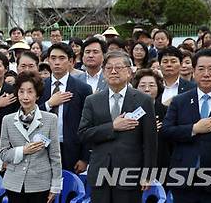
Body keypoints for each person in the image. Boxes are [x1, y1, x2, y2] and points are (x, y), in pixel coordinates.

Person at [78, 51, 157, 202]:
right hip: (100, 172)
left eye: (118, 67)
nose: (113, 71)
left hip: (130, 173)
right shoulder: (92, 100)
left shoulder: (143, 100)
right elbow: (83, 134)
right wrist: (112, 127)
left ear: (129, 72)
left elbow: (150, 141)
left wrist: (148, 174)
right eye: (109, 68)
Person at [161, 48, 211, 202]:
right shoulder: (179, 101)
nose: (206, 74)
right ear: (193, 71)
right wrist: (193, 129)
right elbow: (166, 131)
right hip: (183, 177)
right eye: (201, 69)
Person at [0, 71, 61, 203]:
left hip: (40, 183)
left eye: (30, 92)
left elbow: (55, 155)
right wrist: (23, 150)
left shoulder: (50, 119)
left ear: (37, 95)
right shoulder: (8, 120)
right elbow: (3, 154)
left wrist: (55, 186)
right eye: (21, 92)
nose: (25, 97)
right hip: (14, 183)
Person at [38, 43, 92, 173]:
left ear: (71, 61)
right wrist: (49, 104)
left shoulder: (82, 89)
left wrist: (85, 158)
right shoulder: (39, 87)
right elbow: (32, 115)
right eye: (53, 58)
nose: (57, 62)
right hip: (42, 148)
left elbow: (88, 124)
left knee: (70, 189)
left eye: (62, 58)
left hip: (71, 150)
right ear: (48, 60)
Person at [132, 69, 171, 169]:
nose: (147, 89)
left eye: (152, 85)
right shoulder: (129, 111)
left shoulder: (167, 111)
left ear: (158, 88)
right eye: (142, 86)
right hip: (135, 162)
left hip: (162, 161)